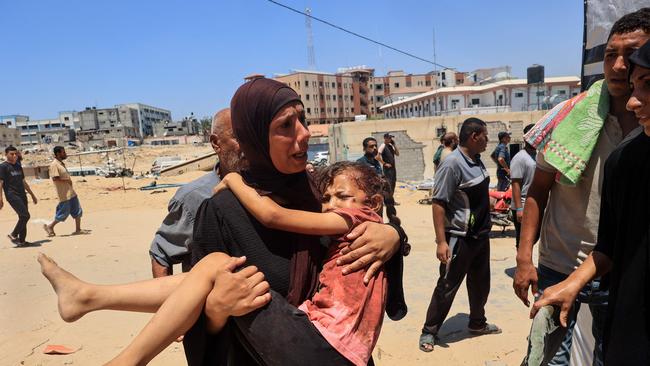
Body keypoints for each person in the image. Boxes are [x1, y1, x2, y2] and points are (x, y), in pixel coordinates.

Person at [39, 160, 390, 366]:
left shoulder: (354, 222)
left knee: (215, 266)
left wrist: (233, 179)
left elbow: (272, 215)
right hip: (329, 347)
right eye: (326, 197)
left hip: (322, 346)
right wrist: (213, 314)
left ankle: (124, 354)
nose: (329, 205)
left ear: (370, 202)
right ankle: (90, 297)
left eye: (340, 197)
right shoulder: (215, 207)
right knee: (207, 274)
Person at [185, 78, 407, 366]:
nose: (304, 134)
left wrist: (392, 235)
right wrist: (216, 311)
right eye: (286, 126)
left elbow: (371, 284)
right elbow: (190, 309)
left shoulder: (322, 195)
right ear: (255, 137)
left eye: (303, 119)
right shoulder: (222, 212)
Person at [513, 9, 650, 365]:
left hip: (619, 269)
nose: (619, 66)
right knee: (546, 357)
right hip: (560, 265)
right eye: (609, 55)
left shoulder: (643, 133)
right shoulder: (570, 116)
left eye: (631, 54)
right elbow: (537, 191)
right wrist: (524, 257)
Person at [419, 117, 500, 353]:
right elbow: (438, 203)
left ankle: (477, 323)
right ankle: (429, 331)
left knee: (480, 284)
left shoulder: (477, 160)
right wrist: (441, 241)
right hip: (458, 237)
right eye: (485, 135)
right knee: (447, 285)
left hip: (480, 236)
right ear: (474, 136)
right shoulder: (452, 164)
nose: (488, 140)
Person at [149, 108, 241, 277]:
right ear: (216, 143)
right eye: (238, 137)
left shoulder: (266, 189)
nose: (247, 145)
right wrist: (171, 302)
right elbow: (161, 255)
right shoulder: (193, 198)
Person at [43, 146, 84, 237]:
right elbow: (55, 178)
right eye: (63, 152)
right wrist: (67, 180)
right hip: (64, 193)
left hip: (71, 192)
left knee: (77, 210)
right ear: (58, 153)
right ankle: (50, 226)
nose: (65, 154)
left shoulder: (61, 164)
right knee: (63, 212)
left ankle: (78, 229)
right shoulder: (54, 164)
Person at [0, 146, 37, 246]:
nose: (14, 155)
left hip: (22, 195)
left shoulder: (18, 166)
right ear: (6, 154)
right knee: (25, 215)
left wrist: (32, 194)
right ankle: (13, 235)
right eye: (12, 154)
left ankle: (22, 241)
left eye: (16, 154)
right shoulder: (3, 167)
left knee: (22, 217)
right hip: (12, 195)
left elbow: (23, 181)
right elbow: (0, 183)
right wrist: (0, 198)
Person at [509, 124, 536, 248]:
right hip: (523, 204)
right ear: (525, 138)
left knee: (533, 237)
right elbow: (515, 184)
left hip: (534, 202)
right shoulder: (520, 158)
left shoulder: (538, 155)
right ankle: (522, 265)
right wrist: (519, 209)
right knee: (523, 238)